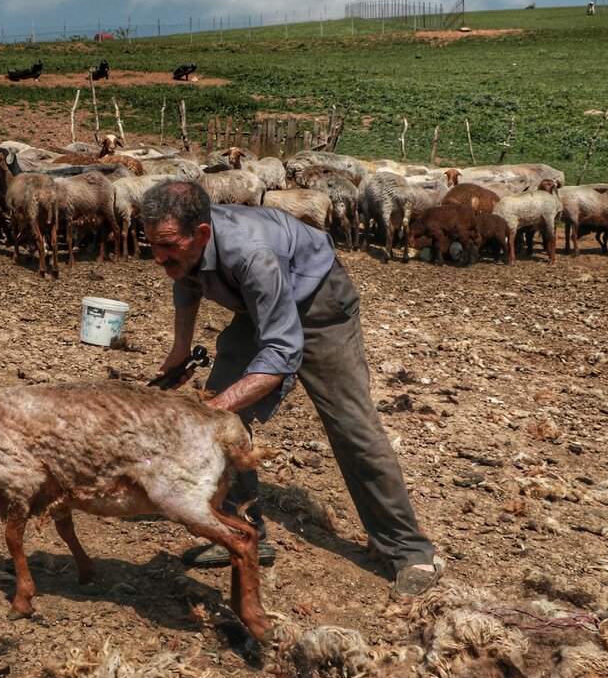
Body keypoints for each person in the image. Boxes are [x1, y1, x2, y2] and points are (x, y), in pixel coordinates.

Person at [142, 181, 440, 598]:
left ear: (202, 234)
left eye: (167, 245)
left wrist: (217, 408)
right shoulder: (187, 247)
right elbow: (184, 276)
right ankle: (244, 529)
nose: (158, 257)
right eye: (152, 244)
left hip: (317, 305)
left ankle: (409, 549)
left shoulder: (251, 254)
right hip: (259, 304)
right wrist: (179, 347)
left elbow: (282, 354)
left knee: (353, 427)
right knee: (224, 416)